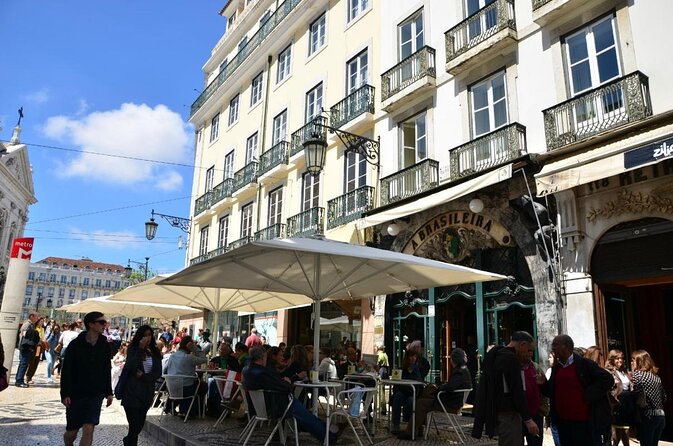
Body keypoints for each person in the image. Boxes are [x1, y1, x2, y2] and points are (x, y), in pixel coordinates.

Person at [242, 346, 341, 444]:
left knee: (305, 416)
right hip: (276, 406)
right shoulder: (263, 373)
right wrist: (288, 381)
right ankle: (329, 435)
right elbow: (286, 387)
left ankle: (330, 430)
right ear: (263, 357)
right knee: (306, 416)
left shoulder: (246, 370)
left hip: (259, 407)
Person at [542, 335, 614, 446]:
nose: (552, 348)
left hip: (583, 423)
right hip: (563, 422)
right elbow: (551, 392)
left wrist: (588, 394)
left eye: (555, 345)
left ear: (566, 347)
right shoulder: (556, 368)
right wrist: (542, 383)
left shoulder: (584, 364)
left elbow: (608, 380)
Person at [472, 331, 540, 445]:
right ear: (522, 344)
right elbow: (516, 390)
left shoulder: (496, 354)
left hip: (498, 410)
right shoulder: (510, 358)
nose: (530, 354)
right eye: (529, 350)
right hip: (509, 413)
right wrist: (528, 420)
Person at [60, 312, 113, 446]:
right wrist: (65, 393)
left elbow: (106, 369)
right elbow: (67, 371)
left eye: (105, 322)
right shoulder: (75, 345)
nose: (104, 325)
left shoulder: (105, 345)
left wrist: (108, 392)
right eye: (101, 322)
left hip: (96, 393)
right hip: (76, 393)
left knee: (89, 428)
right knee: (72, 432)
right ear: (91, 324)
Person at [398, 348, 472, 440]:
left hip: (450, 404)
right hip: (452, 401)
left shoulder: (459, 372)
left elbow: (450, 387)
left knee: (421, 403)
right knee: (423, 399)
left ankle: (410, 432)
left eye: (451, 359)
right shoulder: (464, 370)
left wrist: (440, 387)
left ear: (455, 360)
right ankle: (417, 430)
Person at [119, 325, 162, 446]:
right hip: (132, 393)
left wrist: (143, 376)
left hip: (147, 393)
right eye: (144, 335)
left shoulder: (154, 351)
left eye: (149, 335)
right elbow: (130, 367)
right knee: (134, 425)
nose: (147, 338)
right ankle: (130, 443)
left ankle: (128, 441)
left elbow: (158, 372)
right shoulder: (133, 348)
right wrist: (140, 349)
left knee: (139, 425)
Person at [630, 350, 666, 446]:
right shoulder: (657, 377)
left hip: (647, 416)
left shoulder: (638, 374)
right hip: (660, 416)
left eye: (633, 360)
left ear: (640, 361)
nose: (631, 363)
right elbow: (664, 397)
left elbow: (637, 394)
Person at [164, 335, 208, 415]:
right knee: (203, 386)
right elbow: (205, 359)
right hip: (185, 390)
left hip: (171, 389)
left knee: (192, 385)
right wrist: (194, 348)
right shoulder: (189, 358)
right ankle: (193, 411)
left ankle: (173, 407)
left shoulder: (172, 356)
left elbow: (166, 370)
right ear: (189, 346)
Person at [520, 341, 547, 446]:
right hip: (519, 416)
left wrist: (543, 410)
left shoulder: (536, 367)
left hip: (536, 415)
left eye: (531, 351)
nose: (530, 354)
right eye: (528, 351)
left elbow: (544, 390)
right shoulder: (514, 368)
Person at [391, 349, 423, 434]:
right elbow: (397, 383)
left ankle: (411, 426)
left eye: (415, 356)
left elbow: (419, 382)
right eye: (411, 356)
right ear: (407, 357)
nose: (413, 358)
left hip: (413, 393)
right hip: (402, 392)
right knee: (397, 396)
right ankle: (395, 425)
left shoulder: (418, 368)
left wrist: (415, 370)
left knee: (410, 401)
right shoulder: (402, 368)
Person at [604, 349, 632, 446]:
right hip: (616, 403)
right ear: (611, 359)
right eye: (617, 358)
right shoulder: (608, 372)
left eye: (621, 358)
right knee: (617, 434)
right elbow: (607, 388)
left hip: (626, 403)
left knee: (625, 432)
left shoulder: (624, 371)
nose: (620, 360)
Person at [15, 313, 41, 388]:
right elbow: (24, 335)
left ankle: (19, 379)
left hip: (27, 347)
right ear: (31, 317)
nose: (37, 319)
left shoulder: (31, 325)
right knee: (23, 364)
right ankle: (19, 381)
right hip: (25, 347)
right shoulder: (27, 325)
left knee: (23, 364)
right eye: (36, 317)